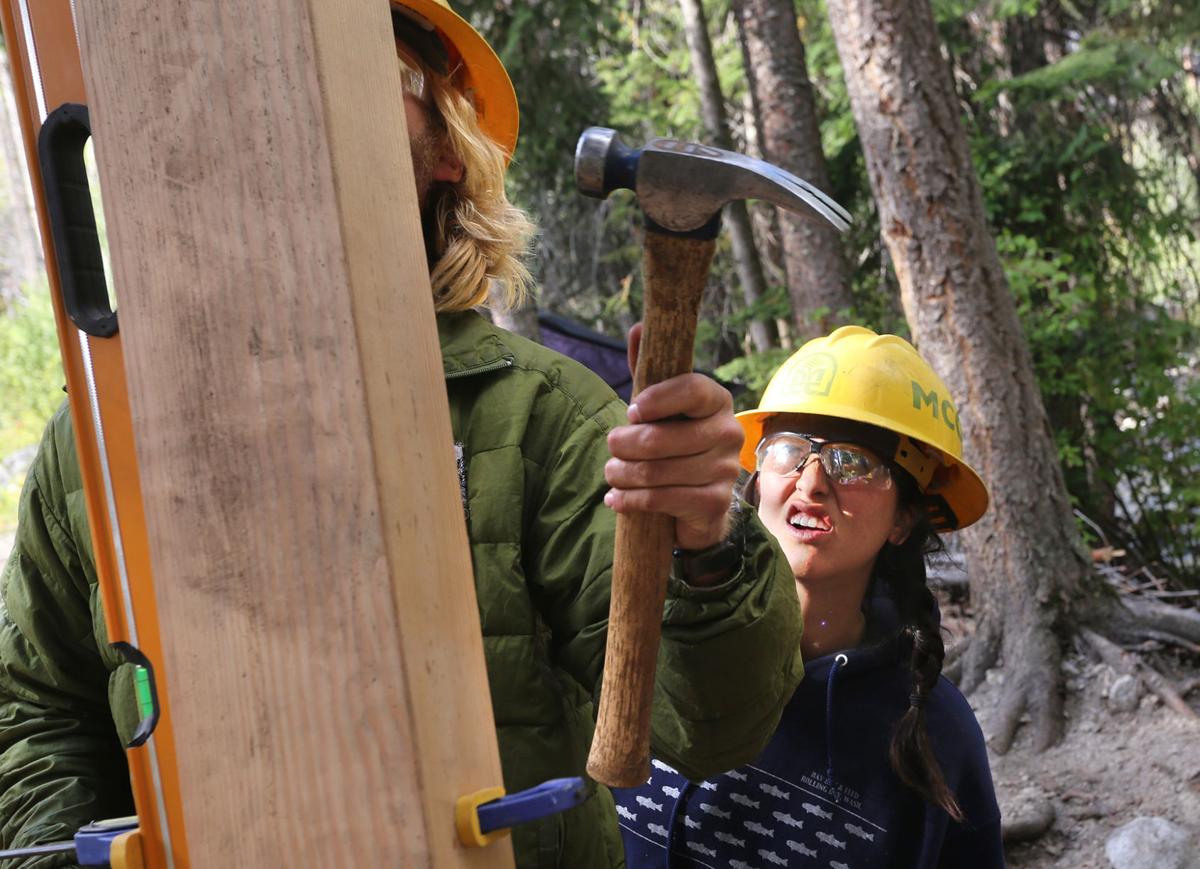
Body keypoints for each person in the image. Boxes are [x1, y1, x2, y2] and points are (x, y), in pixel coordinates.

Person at [0, 3, 805, 867]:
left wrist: (707, 545)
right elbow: (38, 714)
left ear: (447, 150)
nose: (291, 95)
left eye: (366, 68)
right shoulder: (97, 439)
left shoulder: (544, 418)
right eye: (256, 72)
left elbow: (706, 724)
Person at [615, 326, 1004, 867]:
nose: (811, 482)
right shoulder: (653, 637)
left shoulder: (935, 733)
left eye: (853, 462)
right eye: (789, 450)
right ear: (757, 481)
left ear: (903, 518)